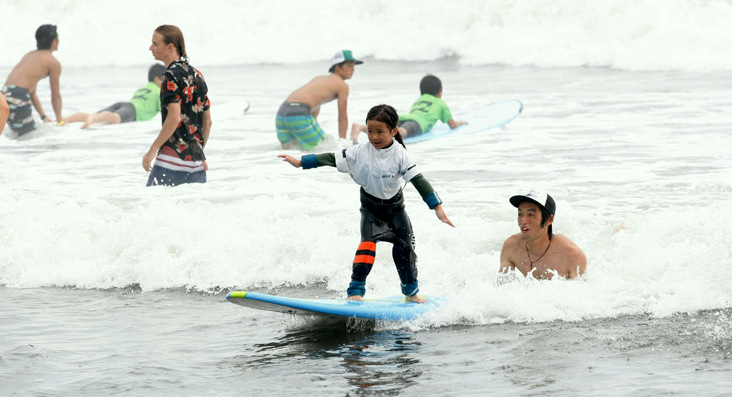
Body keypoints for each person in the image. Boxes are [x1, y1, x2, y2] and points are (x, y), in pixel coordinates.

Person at [279, 104, 455, 302]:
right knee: (367, 247)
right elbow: (330, 158)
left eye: (380, 132)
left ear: (393, 131)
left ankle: (411, 293)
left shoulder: (400, 154)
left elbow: (418, 180)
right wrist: (301, 162)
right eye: (370, 131)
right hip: (371, 210)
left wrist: (437, 207)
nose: (374, 137)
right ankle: (355, 292)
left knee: (406, 250)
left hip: (396, 210)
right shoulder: (360, 152)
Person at [142, 25, 211, 187]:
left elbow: (174, 118)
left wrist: (152, 151)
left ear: (170, 47)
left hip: (172, 161)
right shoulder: (198, 75)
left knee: (150, 208)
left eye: (155, 43)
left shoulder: (169, 76)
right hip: (197, 164)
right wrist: (199, 154)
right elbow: (207, 122)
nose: (150, 48)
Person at [276, 50, 362, 150]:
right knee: (326, 149)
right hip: (298, 113)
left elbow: (314, 105)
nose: (353, 69)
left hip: (282, 113)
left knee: (289, 153)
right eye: (349, 65)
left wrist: (312, 127)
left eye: (354, 66)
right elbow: (342, 116)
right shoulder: (343, 85)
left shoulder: (318, 78)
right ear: (337, 67)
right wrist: (343, 143)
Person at [350, 74, 466, 143]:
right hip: (418, 123)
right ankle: (368, 130)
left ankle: (361, 127)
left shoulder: (419, 100)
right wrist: (459, 123)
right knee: (402, 132)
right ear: (440, 92)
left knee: (383, 126)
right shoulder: (440, 103)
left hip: (405, 117)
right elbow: (452, 125)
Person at [499, 190, 587, 279]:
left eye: (530, 214)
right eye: (520, 214)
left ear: (549, 219)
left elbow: (581, 291)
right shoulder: (511, 247)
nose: (523, 221)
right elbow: (502, 287)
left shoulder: (572, 255)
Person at [2, 24, 63, 136]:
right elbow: (55, 95)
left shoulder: (29, 55)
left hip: (5, 94)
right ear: (54, 41)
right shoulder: (53, 62)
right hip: (18, 96)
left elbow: (31, 92)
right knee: (27, 136)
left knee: (18, 134)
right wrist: (60, 120)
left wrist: (43, 116)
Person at [63, 64, 166, 129]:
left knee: (93, 114)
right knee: (115, 118)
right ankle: (93, 119)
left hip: (125, 105)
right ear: (157, 79)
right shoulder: (160, 91)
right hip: (133, 111)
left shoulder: (142, 88)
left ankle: (64, 119)